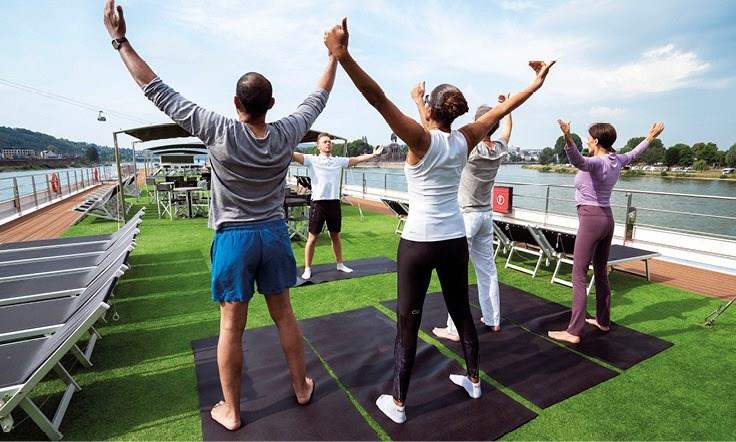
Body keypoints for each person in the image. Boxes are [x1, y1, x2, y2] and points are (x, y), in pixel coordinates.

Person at [103, 0, 337, 430]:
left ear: (235, 102)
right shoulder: (288, 132)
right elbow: (318, 98)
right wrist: (334, 56)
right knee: (284, 315)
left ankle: (232, 411)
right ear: (271, 103)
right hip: (273, 235)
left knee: (231, 327)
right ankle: (301, 387)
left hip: (234, 239)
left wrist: (120, 41)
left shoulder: (217, 128)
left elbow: (156, 89)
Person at [324, 17, 555, 424]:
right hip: (453, 240)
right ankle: (474, 380)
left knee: (407, 322)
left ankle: (398, 404)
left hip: (418, 242)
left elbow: (377, 98)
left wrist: (342, 55)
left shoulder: (419, 139)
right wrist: (536, 83)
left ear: (429, 109)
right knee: (462, 312)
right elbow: (504, 108)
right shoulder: (465, 138)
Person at [548, 119, 664, 344]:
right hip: (607, 220)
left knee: (579, 274)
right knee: (600, 271)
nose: (587, 142)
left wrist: (567, 136)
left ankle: (574, 331)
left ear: (596, 141)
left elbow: (577, 160)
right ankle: (603, 321)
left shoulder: (596, 163)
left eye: (588, 139)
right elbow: (634, 153)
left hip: (591, 220)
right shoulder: (616, 160)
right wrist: (650, 138)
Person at [412, 90, 512, 341]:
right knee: (487, 270)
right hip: (486, 216)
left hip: (466, 217)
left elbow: (432, 134)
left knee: (455, 276)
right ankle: (493, 319)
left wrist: (419, 102)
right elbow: (506, 130)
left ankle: (454, 329)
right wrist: (505, 107)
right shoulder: (498, 150)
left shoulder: (471, 149)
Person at [292, 134, 382, 280]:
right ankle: (307, 268)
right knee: (312, 238)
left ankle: (340, 264)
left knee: (335, 236)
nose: (328, 144)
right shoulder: (311, 160)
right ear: (318, 146)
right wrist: (280, 144)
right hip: (318, 203)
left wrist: (374, 155)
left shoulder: (338, 161)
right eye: (324, 142)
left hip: (334, 203)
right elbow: (292, 154)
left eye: (329, 142)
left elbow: (356, 160)